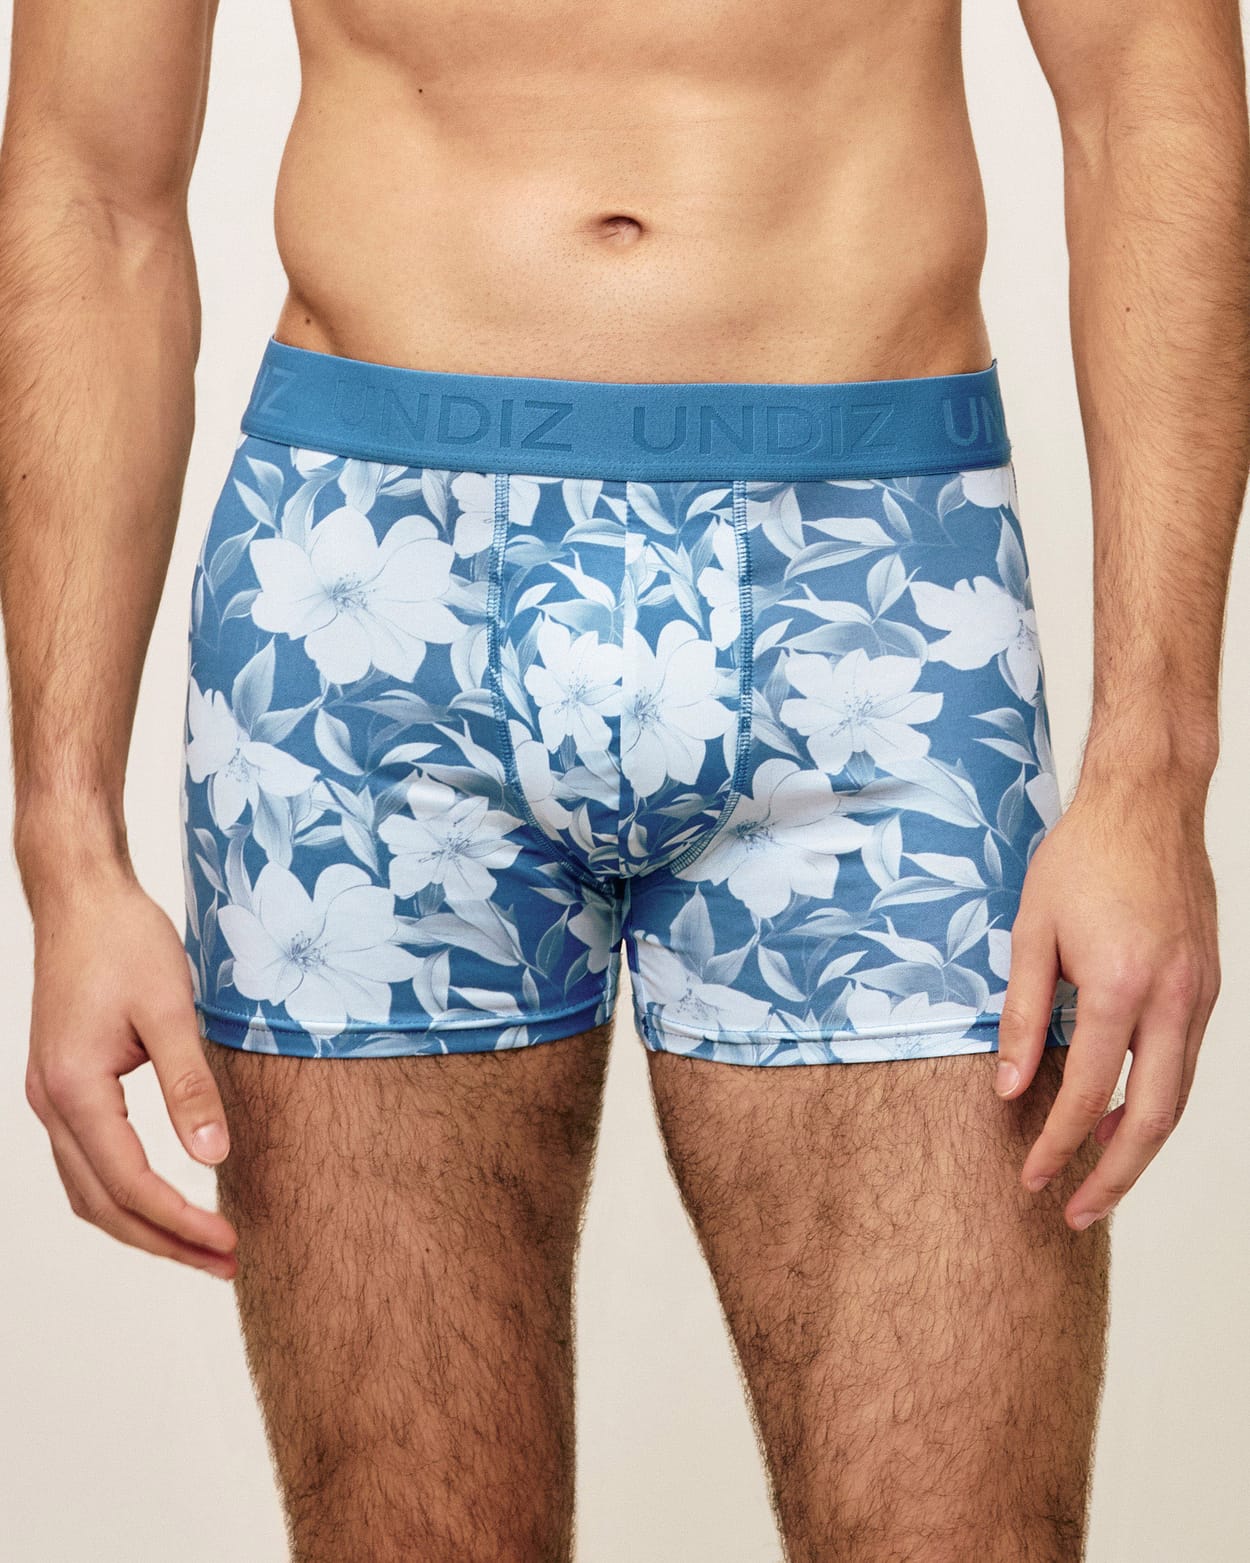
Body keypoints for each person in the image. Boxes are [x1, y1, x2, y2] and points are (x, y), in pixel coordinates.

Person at [1, 0, 1246, 1558]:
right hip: (366, 614)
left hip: (865, 603)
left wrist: (1153, 768)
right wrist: (65, 843)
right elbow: (87, 189)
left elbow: (1147, 95)